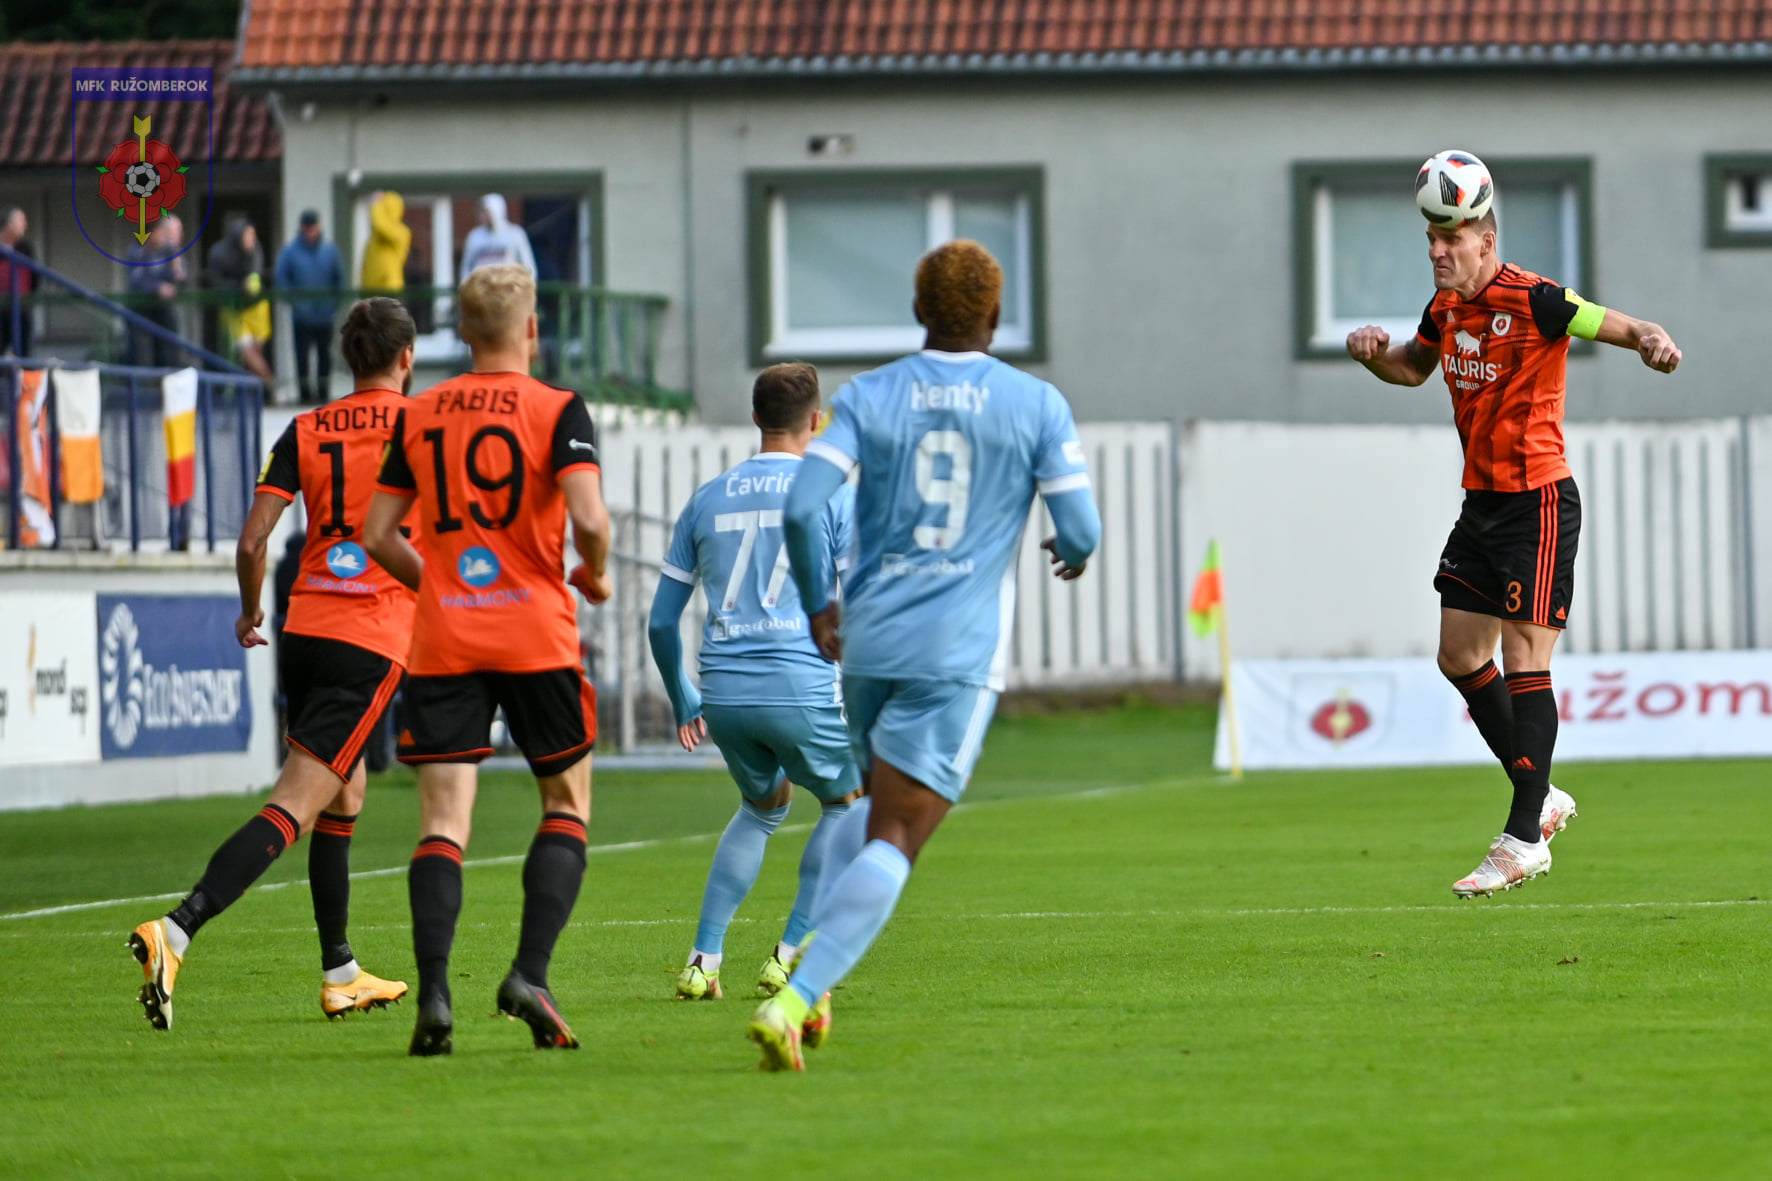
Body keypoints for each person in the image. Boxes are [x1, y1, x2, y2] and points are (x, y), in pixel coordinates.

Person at [747, 240, 1102, 1071]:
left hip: (868, 641)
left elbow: (800, 508)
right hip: (955, 650)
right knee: (900, 834)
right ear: (995, 315)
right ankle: (792, 999)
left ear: (918, 310)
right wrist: (1072, 549)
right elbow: (1081, 529)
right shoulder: (1036, 403)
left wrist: (819, 605)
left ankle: (814, 983)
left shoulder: (871, 395)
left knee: (870, 805)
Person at [1345, 151, 1681, 898]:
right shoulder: (1445, 310)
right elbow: (1413, 367)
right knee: (1460, 655)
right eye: (1431, 238)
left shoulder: (1537, 300)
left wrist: (1652, 340)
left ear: (1486, 240)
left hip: (1538, 501)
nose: (1437, 251)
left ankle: (1524, 835)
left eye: (1451, 238)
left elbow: (1621, 324)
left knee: (1527, 658)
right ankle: (1544, 794)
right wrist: (1372, 356)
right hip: (1482, 503)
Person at [128, 298, 422, 1031]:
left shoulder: (306, 428)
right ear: (407, 358)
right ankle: (176, 930)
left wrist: (248, 609)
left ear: (349, 359)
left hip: (306, 626)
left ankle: (341, 972)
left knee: (344, 794)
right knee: (296, 801)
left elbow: (253, 540)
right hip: (370, 632)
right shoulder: (423, 427)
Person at [363, 263, 613, 1057]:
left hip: (448, 639)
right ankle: (529, 973)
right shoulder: (558, 408)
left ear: (464, 333)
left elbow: (376, 533)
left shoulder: (421, 412)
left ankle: (435, 994)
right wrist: (596, 570)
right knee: (566, 803)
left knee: (442, 823)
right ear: (531, 329)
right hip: (535, 634)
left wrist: (437, 586)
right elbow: (590, 518)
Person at [648, 362, 863, 1003]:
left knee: (761, 807)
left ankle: (702, 961)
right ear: (817, 421)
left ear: (755, 418)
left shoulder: (708, 497)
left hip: (725, 692)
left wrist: (683, 696)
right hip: (800, 682)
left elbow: (660, 622)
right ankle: (789, 956)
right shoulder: (832, 493)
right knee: (849, 804)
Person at [275, 210, 345, 403]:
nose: (310, 232)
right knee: (302, 357)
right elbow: (282, 279)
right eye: (307, 228)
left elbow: (339, 280)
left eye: (313, 227)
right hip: (301, 315)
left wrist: (332, 306)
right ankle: (305, 395)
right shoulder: (290, 251)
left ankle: (323, 394)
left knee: (325, 356)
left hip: (325, 315)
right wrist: (296, 304)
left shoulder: (329, 251)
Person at [207, 216, 274, 383]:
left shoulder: (255, 249)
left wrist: (251, 282)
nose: (253, 239)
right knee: (246, 352)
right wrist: (238, 286)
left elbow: (255, 273)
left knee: (257, 353)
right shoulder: (219, 253)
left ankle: (255, 392)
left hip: (256, 306)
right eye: (249, 235)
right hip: (233, 308)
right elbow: (216, 282)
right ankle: (272, 384)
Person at [125, 214, 187, 368]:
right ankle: (145, 383)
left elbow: (182, 279)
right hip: (140, 310)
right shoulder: (136, 250)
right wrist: (157, 287)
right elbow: (137, 280)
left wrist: (177, 272)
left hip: (162, 309)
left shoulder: (169, 250)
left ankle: (170, 379)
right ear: (150, 233)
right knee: (143, 357)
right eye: (160, 231)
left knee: (170, 353)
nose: (163, 236)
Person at [460, 194, 536, 277]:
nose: (482, 216)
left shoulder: (515, 233)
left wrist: (528, 282)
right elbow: (466, 266)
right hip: (482, 283)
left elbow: (527, 264)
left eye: (486, 212)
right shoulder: (474, 236)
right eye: (481, 212)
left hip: (507, 283)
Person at [0, 206, 37, 358]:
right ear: (9, 225)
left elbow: (34, 276)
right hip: (1, 310)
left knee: (24, 354)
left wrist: (27, 299)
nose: (25, 225)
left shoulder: (26, 248)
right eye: (21, 221)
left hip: (21, 308)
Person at [361, 190, 411, 294]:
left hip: (389, 289)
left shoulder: (401, 232)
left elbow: (380, 225)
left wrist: (377, 204)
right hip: (372, 291)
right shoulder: (374, 238)